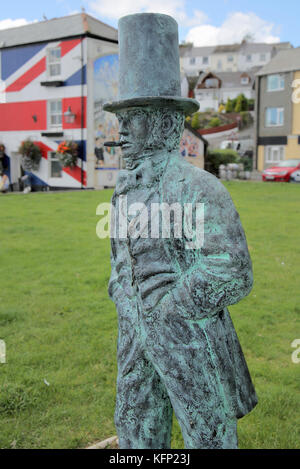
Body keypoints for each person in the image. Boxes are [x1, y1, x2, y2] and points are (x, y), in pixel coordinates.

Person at [104, 13, 257, 449]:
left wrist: (172, 307)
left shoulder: (198, 187)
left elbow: (232, 270)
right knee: (134, 425)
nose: (120, 133)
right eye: (121, 119)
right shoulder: (124, 190)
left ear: (162, 121)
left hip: (188, 338)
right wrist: (122, 293)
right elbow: (120, 258)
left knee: (207, 432)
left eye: (131, 119)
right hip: (133, 336)